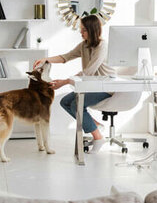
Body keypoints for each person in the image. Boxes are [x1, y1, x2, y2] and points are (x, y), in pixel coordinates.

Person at [33, 15, 115, 153]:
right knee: (65, 102)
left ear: (92, 30)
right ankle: (95, 125)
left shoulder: (102, 46)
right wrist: (45, 59)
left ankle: (98, 137)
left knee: (77, 104)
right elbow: (66, 57)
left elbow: (88, 72)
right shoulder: (84, 45)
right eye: (81, 29)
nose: (80, 32)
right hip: (90, 86)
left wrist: (64, 82)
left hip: (105, 87)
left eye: (83, 30)